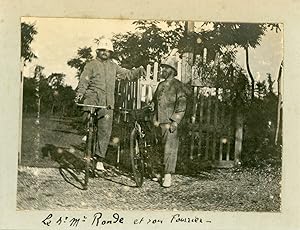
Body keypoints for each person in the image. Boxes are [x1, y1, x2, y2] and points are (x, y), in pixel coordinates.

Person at [75, 38, 146, 171]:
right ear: (98, 51)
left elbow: (126, 74)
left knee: (105, 130)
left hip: (107, 102)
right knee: (86, 114)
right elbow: (84, 81)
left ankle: (99, 159)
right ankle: (87, 132)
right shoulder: (91, 64)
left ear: (110, 53)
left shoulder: (113, 66)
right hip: (92, 97)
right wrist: (80, 93)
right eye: (102, 50)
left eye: (107, 51)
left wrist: (138, 70)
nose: (105, 53)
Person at [152, 54, 188, 187]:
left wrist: (175, 121)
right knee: (159, 148)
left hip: (170, 122)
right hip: (158, 121)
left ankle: (168, 176)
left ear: (172, 70)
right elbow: (154, 101)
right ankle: (160, 173)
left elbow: (182, 105)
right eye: (163, 68)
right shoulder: (161, 85)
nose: (163, 71)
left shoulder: (178, 86)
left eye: (166, 68)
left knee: (170, 149)